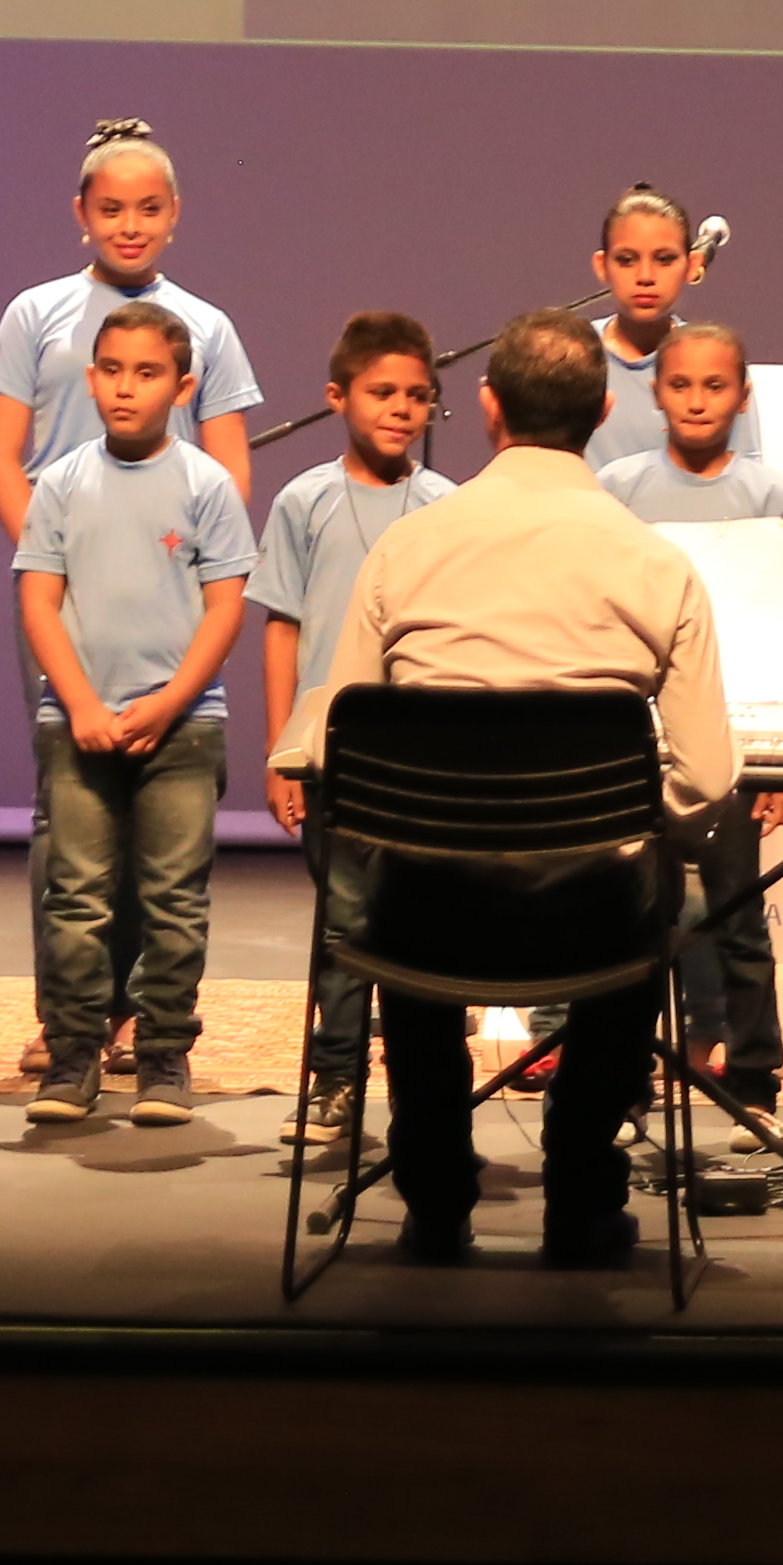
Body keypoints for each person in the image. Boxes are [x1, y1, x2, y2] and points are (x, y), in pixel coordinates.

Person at [273, 311, 736, 1273]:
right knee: (656, 898)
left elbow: (331, 748)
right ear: (607, 410)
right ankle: (578, 1190)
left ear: (487, 409)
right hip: (591, 918)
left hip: (429, 915)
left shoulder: (403, 552)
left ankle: (436, 1203)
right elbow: (705, 783)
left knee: (406, 896)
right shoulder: (656, 565)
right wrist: (634, 835)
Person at [0, 119, 260, 1084]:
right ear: (80, 214)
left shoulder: (206, 326)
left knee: (163, 804)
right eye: (110, 208)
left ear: (174, 216)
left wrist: (184, 564)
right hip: (64, 590)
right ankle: (75, 1016)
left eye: (147, 209)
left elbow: (229, 471)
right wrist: (53, 564)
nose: (128, 225)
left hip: (169, 591)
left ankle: (147, 1013)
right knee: (68, 807)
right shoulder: (37, 314)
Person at [12, 301, 254, 1129]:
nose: (126, 387)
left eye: (147, 373)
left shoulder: (208, 484)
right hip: (77, 722)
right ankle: (73, 1055)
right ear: (90, 378)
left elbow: (225, 607)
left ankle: (162, 1058)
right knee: (77, 896)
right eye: (112, 370)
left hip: (183, 726)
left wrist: (169, 701)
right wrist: (78, 699)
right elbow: (39, 599)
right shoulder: (62, 482)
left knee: (173, 899)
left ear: (182, 387)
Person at [590, 314, 783, 1102]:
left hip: (738, 732)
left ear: (742, 394)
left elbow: (779, 630)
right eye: (680, 384)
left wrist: (780, 758)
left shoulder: (766, 493)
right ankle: (625, 1070)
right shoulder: (617, 489)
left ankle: (754, 1072)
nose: (696, 400)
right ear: (655, 392)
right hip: (636, 740)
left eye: (714, 385)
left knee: (738, 909)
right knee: (635, 912)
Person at [256, 313, 448, 1158]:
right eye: (382, 392)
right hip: (333, 751)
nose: (400, 409)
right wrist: (283, 750)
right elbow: (283, 630)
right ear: (339, 397)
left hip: (419, 757)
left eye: (417, 396)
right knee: (342, 920)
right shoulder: (304, 501)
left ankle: (422, 1085)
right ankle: (334, 1076)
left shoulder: (447, 507)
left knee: (416, 922)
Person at [574, 186, 712, 458]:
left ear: (692, 264)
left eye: (664, 260)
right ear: (602, 266)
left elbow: (743, 474)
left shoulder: (714, 363)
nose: (645, 276)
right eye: (626, 260)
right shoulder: (571, 358)